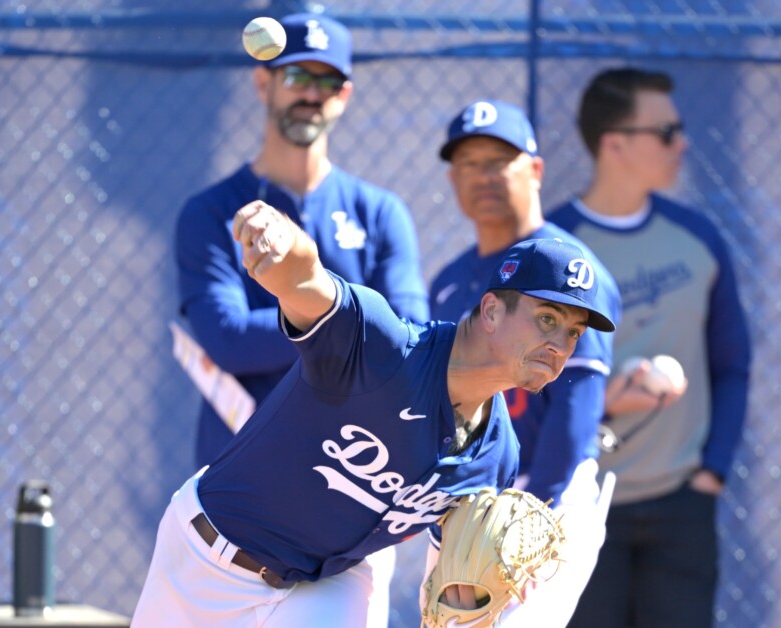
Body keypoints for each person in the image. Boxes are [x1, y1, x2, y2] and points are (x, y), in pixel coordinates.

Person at [132, 199, 616, 626]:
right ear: (490, 312)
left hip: (327, 585)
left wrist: (477, 601)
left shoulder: (496, 457)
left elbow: (454, 574)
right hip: (206, 557)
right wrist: (282, 242)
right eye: (548, 319)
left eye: (573, 332)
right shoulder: (383, 348)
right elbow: (305, 279)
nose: (560, 345)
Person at [174, 12, 428, 471]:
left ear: (344, 96)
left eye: (328, 82)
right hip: (241, 468)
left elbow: (408, 334)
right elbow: (228, 339)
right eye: (296, 76)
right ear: (262, 82)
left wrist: (310, 314)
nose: (311, 94)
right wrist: (350, 329)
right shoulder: (211, 211)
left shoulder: (381, 212)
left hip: (355, 470)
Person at [547, 67, 753, 627]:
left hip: (681, 504)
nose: (682, 143)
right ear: (615, 143)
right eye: (667, 131)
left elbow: (732, 364)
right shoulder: (554, 247)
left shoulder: (699, 239)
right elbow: (522, 385)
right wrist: (603, 402)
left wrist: (711, 473)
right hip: (582, 504)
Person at [427, 99, 622, 627]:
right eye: (468, 162)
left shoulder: (570, 270)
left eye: (498, 160)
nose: (483, 175)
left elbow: (575, 416)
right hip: (469, 498)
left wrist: (527, 518)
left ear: (535, 170)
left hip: (544, 496)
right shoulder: (449, 279)